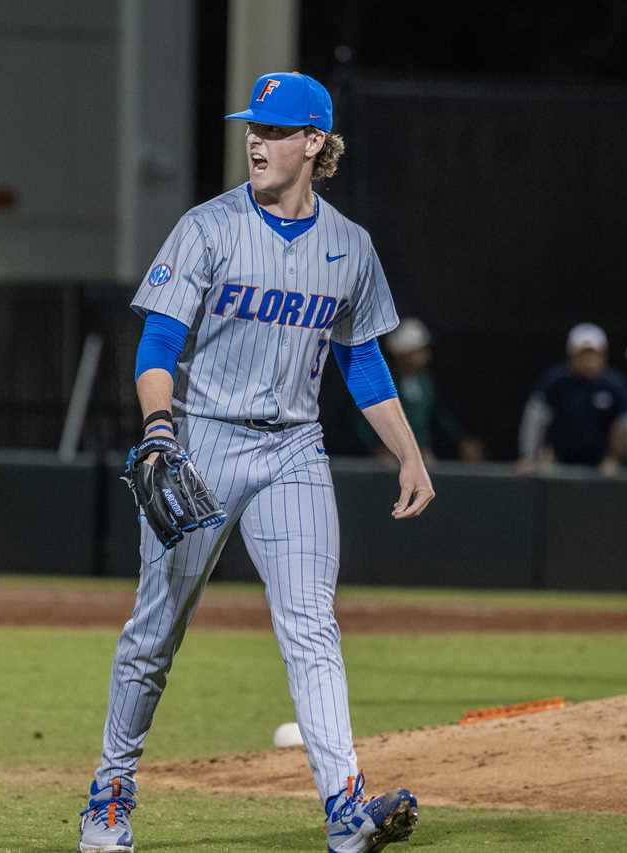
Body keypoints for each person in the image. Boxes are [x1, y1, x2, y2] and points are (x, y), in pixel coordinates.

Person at [78, 72, 432, 853]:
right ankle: (109, 792)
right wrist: (160, 426)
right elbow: (157, 346)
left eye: (274, 130)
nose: (255, 141)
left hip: (293, 448)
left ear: (314, 143)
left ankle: (345, 809)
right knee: (154, 631)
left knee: (313, 628)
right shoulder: (207, 228)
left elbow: (363, 362)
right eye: (252, 127)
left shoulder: (351, 246)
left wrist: (409, 453)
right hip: (198, 439)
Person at [517, 323, 627, 475]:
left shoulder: (616, 385)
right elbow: (535, 418)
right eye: (583, 354)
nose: (589, 360)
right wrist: (528, 457)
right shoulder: (554, 381)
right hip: (558, 461)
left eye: (594, 354)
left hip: (605, 465)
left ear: (603, 355)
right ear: (572, 355)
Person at [355, 317, 485, 462]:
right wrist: (377, 448)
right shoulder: (381, 382)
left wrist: (462, 440)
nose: (425, 355)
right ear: (403, 354)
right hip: (388, 457)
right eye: (418, 351)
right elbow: (362, 423)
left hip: (421, 453)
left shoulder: (426, 382)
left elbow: (440, 415)